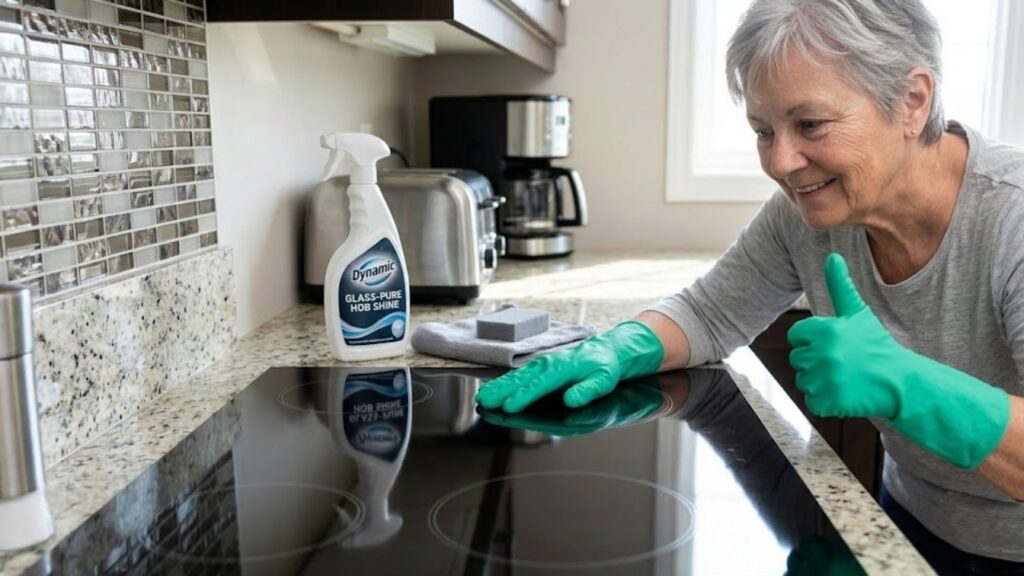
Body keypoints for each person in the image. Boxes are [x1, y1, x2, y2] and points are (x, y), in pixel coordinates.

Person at [474, 0, 1024, 573]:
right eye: (764, 131)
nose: (783, 161)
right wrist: (618, 346)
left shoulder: (1013, 220)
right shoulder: (808, 213)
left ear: (912, 101)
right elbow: (710, 314)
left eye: (809, 124)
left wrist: (907, 384)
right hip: (909, 520)